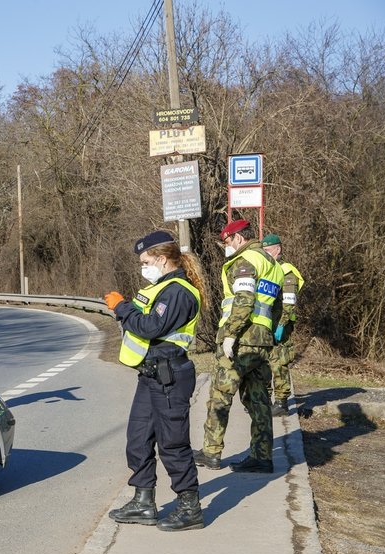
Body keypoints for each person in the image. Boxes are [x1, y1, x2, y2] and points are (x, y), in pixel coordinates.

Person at [103, 230, 206, 531]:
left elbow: (150, 327)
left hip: (170, 375)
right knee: (138, 439)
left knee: (173, 443)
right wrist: (125, 309)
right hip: (150, 375)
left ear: (162, 259)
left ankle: (190, 506)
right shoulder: (163, 288)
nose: (142, 267)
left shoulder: (179, 292)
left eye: (145, 261)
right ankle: (143, 501)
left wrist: (121, 307)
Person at [194, 220, 284, 474]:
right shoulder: (274, 266)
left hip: (240, 341)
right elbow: (276, 308)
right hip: (262, 342)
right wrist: (268, 334)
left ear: (239, 238)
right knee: (259, 400)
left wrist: (230, 334)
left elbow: (243, 301)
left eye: (227, 241)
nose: (226, 247)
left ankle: (211, 452)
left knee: (220, 395)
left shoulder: (245, 262)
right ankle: (262, 456)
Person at [262, 233, 305, 416]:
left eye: (267, 250)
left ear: (277, 250)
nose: (264, 254)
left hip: (281, 325)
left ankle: (281, 403)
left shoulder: (287, 271)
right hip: (266, 323)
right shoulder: (269, 268)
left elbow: (289, 302)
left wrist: (282, 324)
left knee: (279, 363)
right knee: (264, 362)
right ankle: (265, 399)